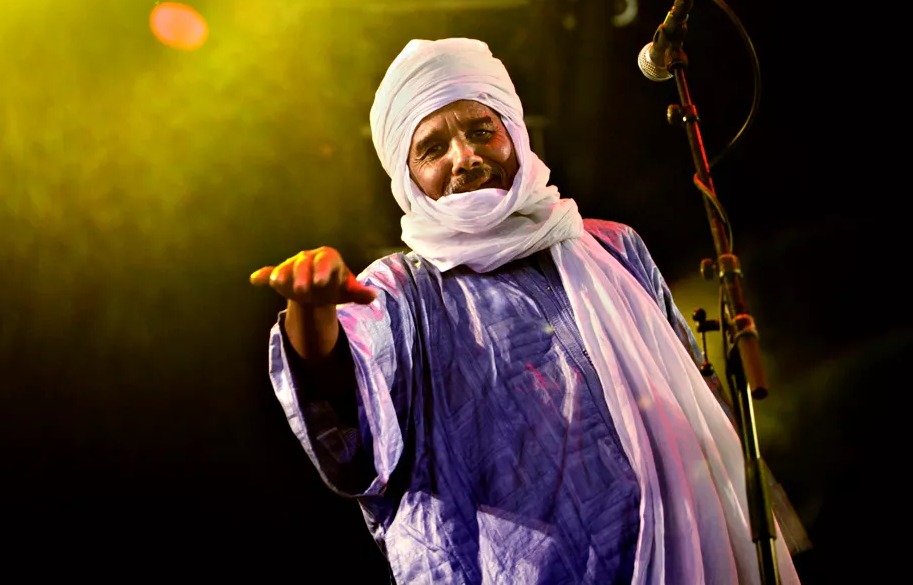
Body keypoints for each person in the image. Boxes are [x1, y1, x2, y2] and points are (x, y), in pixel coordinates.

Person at [251, 38, 801, 584]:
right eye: (432, 148)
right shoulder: (400, 291)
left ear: (515, 134)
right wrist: (312, 310)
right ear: (408, 176)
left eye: (481, 131)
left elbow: (698, 400)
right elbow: (347, 418)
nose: (464, 159)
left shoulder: (611, 247)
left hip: (687, 560)